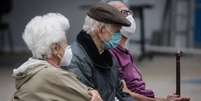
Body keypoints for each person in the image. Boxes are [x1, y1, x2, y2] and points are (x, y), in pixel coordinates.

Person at [108, 1, 190, 101]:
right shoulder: (111, 54)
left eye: (129, 12)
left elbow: (138, 91)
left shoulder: (126, 53)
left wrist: (165, 99)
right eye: (124, 13)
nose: (129, 17)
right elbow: (124, 94)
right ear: (111, 20)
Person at [11, 13, 102, 101]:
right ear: (55, 49)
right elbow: (91, 98)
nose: (68, 47)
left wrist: (90, 90)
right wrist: (92, 92)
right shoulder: (53, 75)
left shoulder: (31, 68)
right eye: (66, 43)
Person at [63, 3, 135, 101]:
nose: (119, 36)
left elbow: (120, 93)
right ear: (101, 30)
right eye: (116, 31)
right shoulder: (75, 60)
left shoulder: (107, 55)